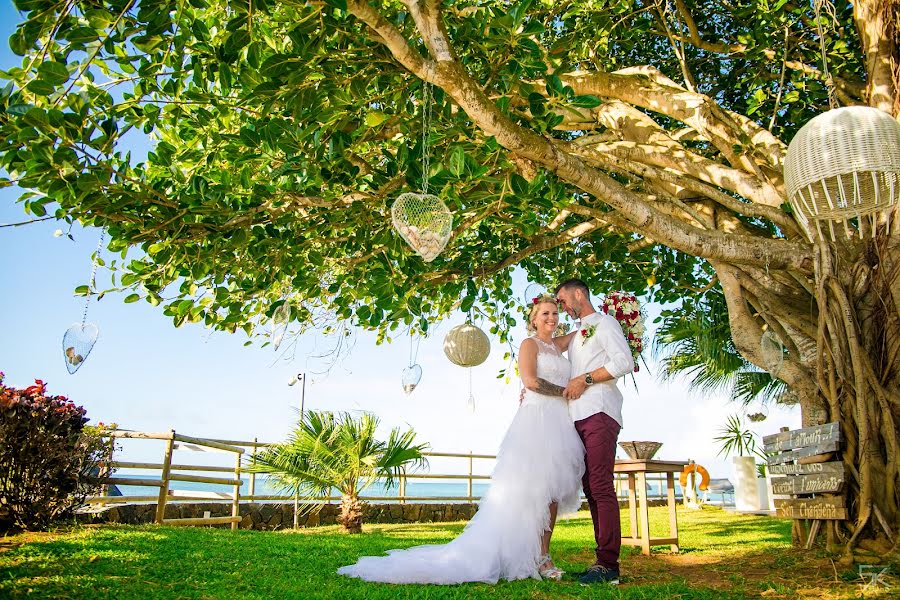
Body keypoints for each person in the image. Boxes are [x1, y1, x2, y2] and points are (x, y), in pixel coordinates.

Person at [337, 296, 584, 584]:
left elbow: (587, 329)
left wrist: (613, 316)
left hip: (559, 423)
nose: (551, 318)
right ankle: (532, 555)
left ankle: (542, 553)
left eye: (555, 313)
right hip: (537, 420)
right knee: (533, 490)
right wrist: (567, 390)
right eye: (545, 313)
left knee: (552, 491)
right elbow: (530, 381)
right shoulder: (530, 345)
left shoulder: (559, 344)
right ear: (534, 318)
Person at [554, 278, 635, 585]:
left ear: (579, 294)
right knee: (591, 487)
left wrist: (584, 380)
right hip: (577, 416)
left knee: (600, 485)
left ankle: (609, 565)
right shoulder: (577, 335)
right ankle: (602, 561)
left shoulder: (605, 323)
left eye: (563, 300)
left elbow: (623, 362)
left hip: (600, 412)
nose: (562, 307)